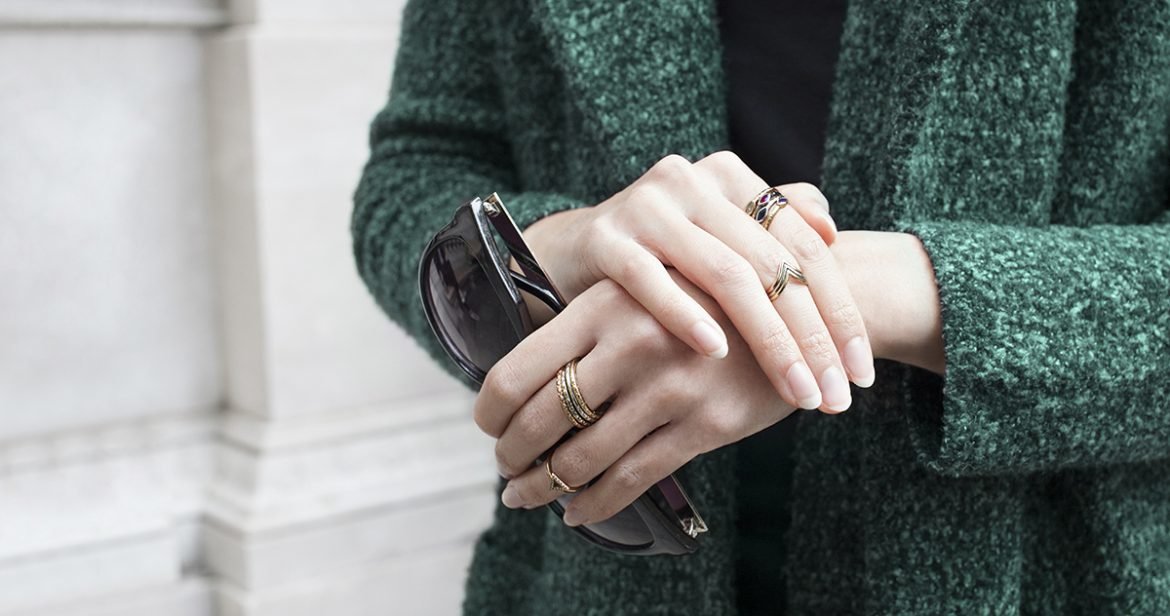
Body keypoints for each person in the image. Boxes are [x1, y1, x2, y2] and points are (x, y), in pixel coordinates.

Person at [352, 0, 1170, 613]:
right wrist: (553, 245)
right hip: (592, 575)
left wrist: (845, 296)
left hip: (1063, 570)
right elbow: (418, 167)